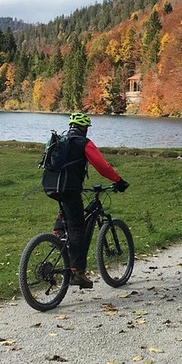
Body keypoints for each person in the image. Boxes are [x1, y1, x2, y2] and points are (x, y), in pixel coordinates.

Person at [50, 112, 130, 289]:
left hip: (52, 186)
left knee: (68, 211)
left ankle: (58, 232)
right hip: (70, 188)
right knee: (78, 228)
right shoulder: (84, 143)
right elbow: (102, 166)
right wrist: (118, 180)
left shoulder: (61, 140)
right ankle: (77, 272)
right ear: (84, 128)